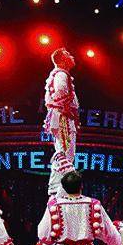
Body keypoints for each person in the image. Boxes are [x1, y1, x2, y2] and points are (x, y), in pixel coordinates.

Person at [43, 48, 80, 196]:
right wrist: (65, 108)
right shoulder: (61, 74)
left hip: (62, 116)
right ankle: (61, 188)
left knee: (64, 151)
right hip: (63, 117)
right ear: (63, 59)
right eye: (69, 54)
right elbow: (60, 91)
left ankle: (57, 187)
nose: (72, 56)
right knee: (65, 152)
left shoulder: (58, 74)